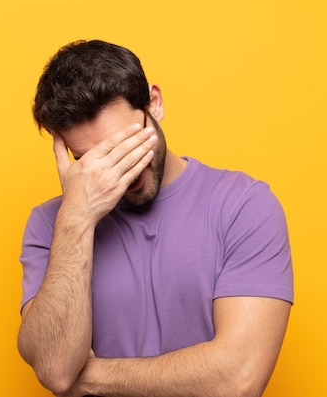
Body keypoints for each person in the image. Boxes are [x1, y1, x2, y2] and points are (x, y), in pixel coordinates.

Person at [17, 40, 294, 397]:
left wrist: (90, 376)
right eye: (94, 158)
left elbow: (237, 379)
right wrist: (76, 218)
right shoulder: (50, 224)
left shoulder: (243, 205)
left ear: (154, 104)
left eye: (125, 145)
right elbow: (56, 371)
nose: (123, 170)